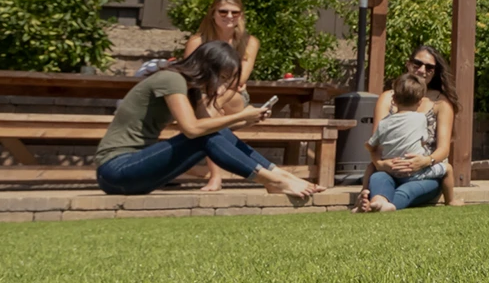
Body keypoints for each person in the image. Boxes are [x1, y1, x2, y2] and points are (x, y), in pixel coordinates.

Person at [95, 40, 321, 200]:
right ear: (206, 68)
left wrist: (247, 121)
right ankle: (271, 179)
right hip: (115, 170)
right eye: (222, 78)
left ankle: (277, 174)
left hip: (138, 175)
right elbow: (193, 130)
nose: (223, 87)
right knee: (203, 136)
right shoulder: (170, 79)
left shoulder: (190, 89)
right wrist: (241, 114)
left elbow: (214, 127)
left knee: (213, 133)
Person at [358, 44, 463, 211]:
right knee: (379, 178)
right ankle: (376, 201)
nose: (422, 70)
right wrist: (382, 165)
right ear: (408, 64)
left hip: (424, 174)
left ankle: (382, 204)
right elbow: (376, 146)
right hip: (389, 169)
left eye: (429, 67)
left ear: (434, 72)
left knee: (407, 190)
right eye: (417, 64)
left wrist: (424, 161)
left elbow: (443, 149)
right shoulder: (387, 98)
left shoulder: (441, 103)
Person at [183, 0, 261, 191]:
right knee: (211, 108)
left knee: (212, 108)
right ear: (213, 14)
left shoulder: (249, 41)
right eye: (223, 11)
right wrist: (214, 89)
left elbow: (241, 78)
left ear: (241, 16)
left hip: (234, 97)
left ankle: (215, 177)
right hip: (204, 95)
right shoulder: (197, 41)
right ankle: (216, 175)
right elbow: (191, 76)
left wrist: (220, 87)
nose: (229, 16)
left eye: (235, 12)